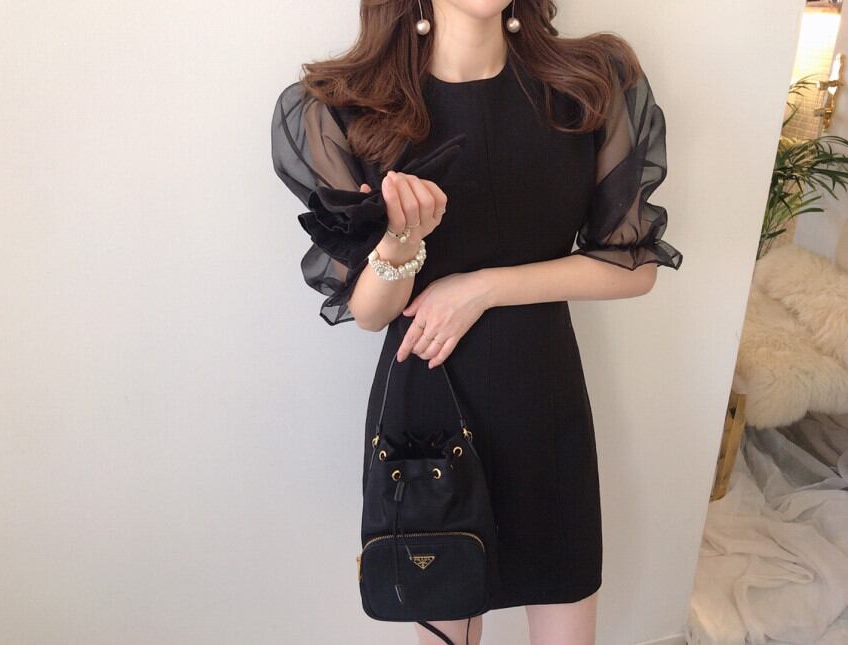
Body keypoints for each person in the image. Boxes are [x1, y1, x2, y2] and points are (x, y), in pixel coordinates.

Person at [271, 1, 683, 643]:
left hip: (543, 399)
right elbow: (370, 313)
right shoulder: (345, 108)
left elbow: (633, 267)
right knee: (446, 607)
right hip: (429, 401)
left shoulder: (589, 84)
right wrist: (401, 243)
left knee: (566, 609)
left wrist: (483, 289)